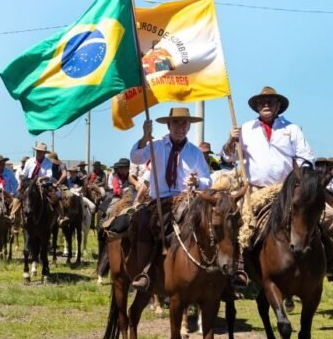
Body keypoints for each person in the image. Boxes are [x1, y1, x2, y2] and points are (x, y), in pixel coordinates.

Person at [221, 86, 316, 284]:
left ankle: (330, 260)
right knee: (237, 220)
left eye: (270, 102)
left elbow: (307, 158)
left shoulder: (292, 129)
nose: (266, 105)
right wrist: (231, 140)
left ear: (278, 106)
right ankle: (239, 267)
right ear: (256, 107)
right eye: (262, 102)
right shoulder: (245, 129)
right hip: (254, 190)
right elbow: (228, 159)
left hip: (286, 190)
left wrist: (299, 177)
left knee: (315, 216)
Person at [128, 107, 212, 291]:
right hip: (160, 200)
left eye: (184, 123)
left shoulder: (195, 152)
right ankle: (145, 271)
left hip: (187, 200)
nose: (180, 127)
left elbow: (208, 180)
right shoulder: (156, 144)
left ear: (189, 126)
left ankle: (215, 272)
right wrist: (144, 137)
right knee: (143, 223)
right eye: (176, 122)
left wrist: (197, 181)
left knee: (213, 225)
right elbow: (136, 157)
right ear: (168, 125)